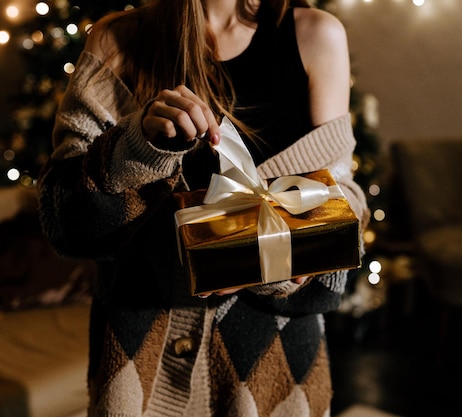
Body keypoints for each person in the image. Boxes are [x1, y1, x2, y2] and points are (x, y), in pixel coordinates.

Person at [37, 0, 369, 415]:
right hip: (136, 373)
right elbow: (65, 224)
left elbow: (343, 215)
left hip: (272, 377)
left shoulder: (315, 36)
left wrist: (260, 258)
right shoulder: (117, 40)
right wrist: (136, 150)